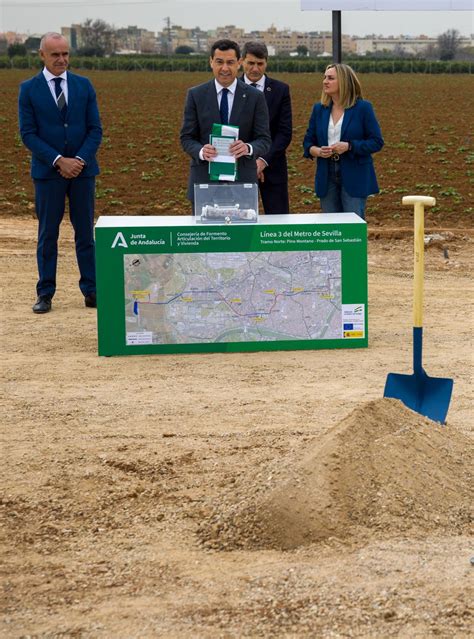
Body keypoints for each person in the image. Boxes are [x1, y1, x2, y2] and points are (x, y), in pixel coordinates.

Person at [18, 32, 102, 314]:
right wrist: (58, 160)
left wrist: (78, 159)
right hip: (47, 173)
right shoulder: (28, 89)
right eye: (55, 55)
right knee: (47, 234)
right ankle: (45, 292)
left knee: (85, 234)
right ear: (42, 55)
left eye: (65, 54)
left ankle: (91, 291)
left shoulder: (83, 85)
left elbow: (95, 130)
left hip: (82, 171)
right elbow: (28, 134)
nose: (62, 59)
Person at [180, 39, 271, 211]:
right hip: (204, 185)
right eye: (219, 62)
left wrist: (248, 148)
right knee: (206, 237)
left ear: (239, 63)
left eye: (230, 62)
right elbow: (186, 138)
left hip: (242, 185)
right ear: (211, 62)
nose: (225, 68)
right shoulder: (195, 95)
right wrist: (201, 151)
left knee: (242, 238)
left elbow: (264, 139)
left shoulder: (255, 97)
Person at [303, 63, 383, 220]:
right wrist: (317, 151)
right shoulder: (319, 109)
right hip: (327, 173)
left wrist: (350, 146)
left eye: (331, 78)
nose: (325, 81)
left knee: (352, 226)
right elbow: (307, 142)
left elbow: (376, 141)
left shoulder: (363, 108)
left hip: (355, 174)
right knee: (331, 226)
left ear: (344, 82)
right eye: (325, 77)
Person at [241, 41, 292, 215]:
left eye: (260, 64)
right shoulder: (231, 89)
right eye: (251, 63)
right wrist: (249, 164)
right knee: (239, 224)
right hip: (238, 169)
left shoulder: (280, 90)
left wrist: (262, 161)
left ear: (266, 63)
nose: (255, 69)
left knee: (278, 224)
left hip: (273, 167)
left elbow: (284, 133)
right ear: (242, 62)